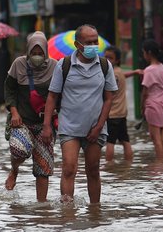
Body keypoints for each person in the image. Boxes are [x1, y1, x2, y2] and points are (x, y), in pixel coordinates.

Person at [41, 24, 118, 204]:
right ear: (77, 45)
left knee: (93, 170)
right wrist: (46, 125)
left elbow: (108, 99)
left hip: (95, 128)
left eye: (95, 41)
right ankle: (67, 211)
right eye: (88, 42)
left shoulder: (105, 66)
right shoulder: (64, 65)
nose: (93, 45)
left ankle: (95, 210)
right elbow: (52, 96)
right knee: (68, 168)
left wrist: (98, 127)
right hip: (69, 127)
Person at [3, 31, 57, 202]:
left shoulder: (55, 67)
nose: (37, 56)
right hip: (22, 121)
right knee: (19, 150)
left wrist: (54, 122)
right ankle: (14, 170)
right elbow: (9, 90)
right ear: (27, 52)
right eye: (33, 53)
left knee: (43, 167)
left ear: (46, 52)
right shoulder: (18, 65)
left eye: (40, 53)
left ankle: (41, 207)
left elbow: (60, 95)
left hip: (45, 123)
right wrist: (14, 112)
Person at [103, 46, 142, 162]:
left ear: (117, 60)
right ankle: (128, 164)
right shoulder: (119, 72)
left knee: (110, 142)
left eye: (111, 58)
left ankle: (109, 165)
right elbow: (122, 76)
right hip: (122, 113)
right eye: (106, 57)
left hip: (112, 114)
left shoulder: (110, 75)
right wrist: (134, 72)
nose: (108, 60)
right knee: (125, 140)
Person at [141, 40, 163, 160]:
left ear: (149, 53)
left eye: (144, 52)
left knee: (155, 139)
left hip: (152, 105)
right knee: (162, 138)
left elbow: (145, 92)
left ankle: (160, 164)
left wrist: (142, 106)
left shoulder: (149, 70)